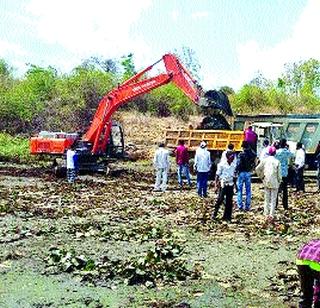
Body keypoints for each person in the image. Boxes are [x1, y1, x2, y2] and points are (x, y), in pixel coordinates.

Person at [256, 146, 282, 220]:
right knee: (273, 199)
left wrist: (261, 176)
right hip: (275, 182)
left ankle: (265, 213)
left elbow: (257, 168)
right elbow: (279, 174)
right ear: (275, 153)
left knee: (267, 198)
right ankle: (271, 214)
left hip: (266, 180)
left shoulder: (265, 160)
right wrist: (280, 180)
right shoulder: (277, 161)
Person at [212, 151, 236, 221]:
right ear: (227, 157)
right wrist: (216, 185)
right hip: (223, 183)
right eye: (231, 157)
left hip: (230, 183)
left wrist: (235, 186)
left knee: (229, 201)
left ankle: (227, 216)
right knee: (220, 199)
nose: (233, 159)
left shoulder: (233, 165)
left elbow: (234, 176)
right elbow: (217, 175)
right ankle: (215, 214)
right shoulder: (221, 165)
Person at [296, 239, 320, 308]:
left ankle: (304, 305)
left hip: (301, 259)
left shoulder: (316, 241)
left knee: (306, 292)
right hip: (317, 264)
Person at [236, 141, 256, 211]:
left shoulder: (241, 154)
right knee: (248, 190)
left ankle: (240, 205)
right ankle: (247, 205)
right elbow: (254, 158)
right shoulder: (251, 154)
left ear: (243, 147)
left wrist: (236, 171)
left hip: (241, 173)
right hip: (248, 172)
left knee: (239, 190)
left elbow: (238, 164)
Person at [275, 138, 294, 210]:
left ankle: (275, 204)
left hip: (277, 172)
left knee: (276, 190)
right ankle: (285, 205)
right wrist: (288, 148)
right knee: (285, 190)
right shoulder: (286, 152)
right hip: (285, 173)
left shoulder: (277, 152)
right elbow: (292, 155)